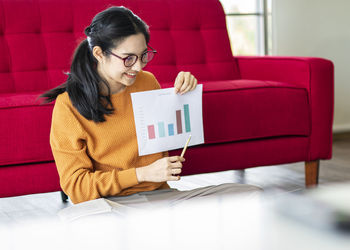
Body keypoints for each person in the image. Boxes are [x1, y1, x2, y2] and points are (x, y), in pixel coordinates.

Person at [41, 6, 261, 205]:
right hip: (109, 205)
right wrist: (141, 174)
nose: (137, 67)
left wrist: (184, 93)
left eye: (143, 55)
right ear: (99, 53)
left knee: (252, 194)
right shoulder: (67, 106)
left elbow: (166, 135)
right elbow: (77, 188)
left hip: (160, 198)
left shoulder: (147, 82)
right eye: (128, 58)